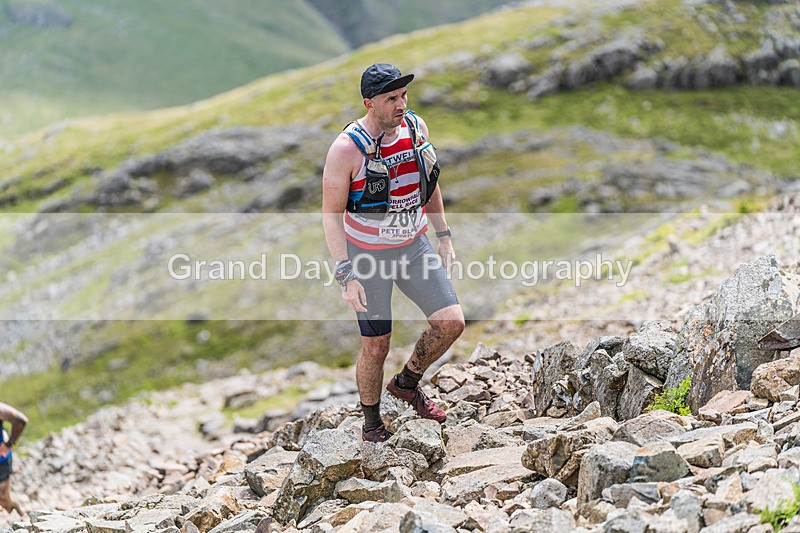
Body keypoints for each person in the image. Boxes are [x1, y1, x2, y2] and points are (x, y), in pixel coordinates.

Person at [322, 63, 466, 442]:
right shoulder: (345, 150)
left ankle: (406, 384)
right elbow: (330, 216)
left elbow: (428, 183)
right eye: (391, 99)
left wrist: (444, 235)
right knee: (376, 345)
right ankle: (371, 424)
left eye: (404, 96)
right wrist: (345, 275)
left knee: (451, 323)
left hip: (414, 247)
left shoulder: (417, 129)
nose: (401, 105)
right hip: (368, 257)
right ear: (370, 103)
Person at [0, 402, 27, 515]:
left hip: (1, 461)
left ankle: (17, 512)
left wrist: (8, 445)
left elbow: (21, 420)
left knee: (3, 500)